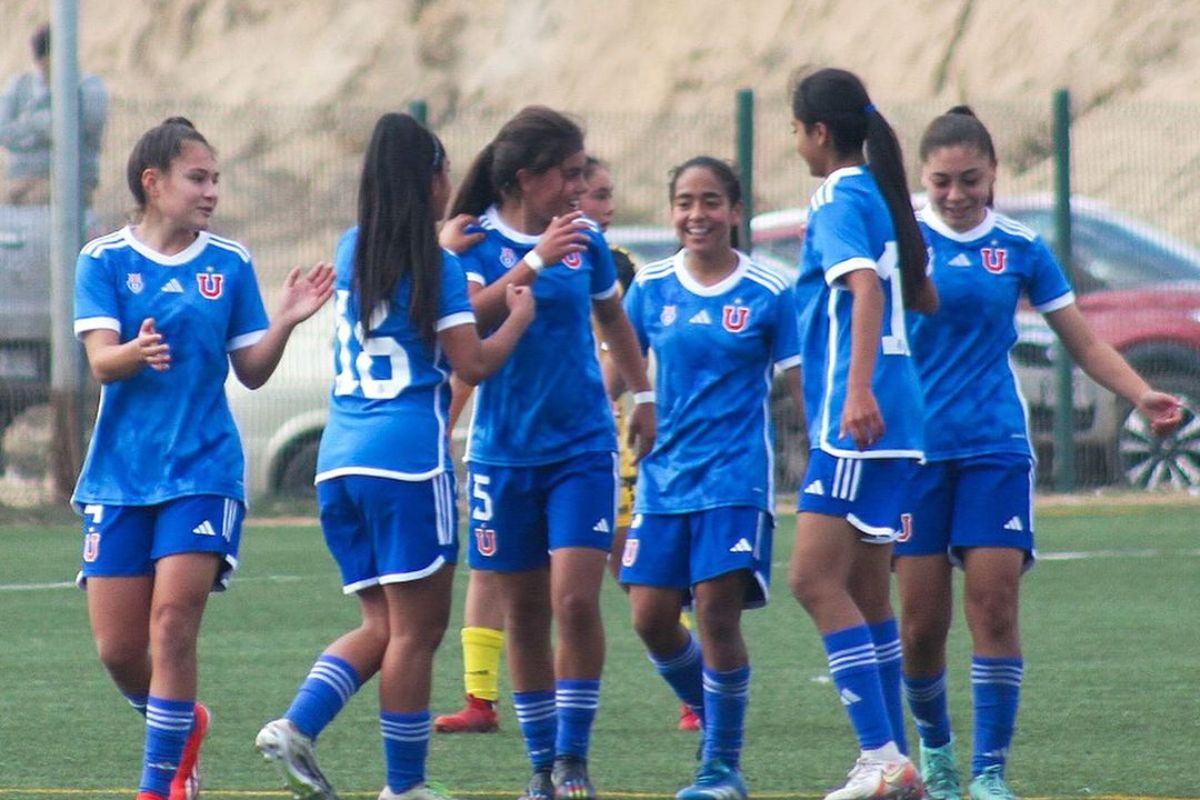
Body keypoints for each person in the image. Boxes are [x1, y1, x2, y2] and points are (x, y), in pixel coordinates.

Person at [896, 106, 1183, 800]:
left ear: (993, 174)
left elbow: (1082, 341)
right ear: (923, 180)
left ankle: (990, 771)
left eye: (971, 179)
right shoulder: (898, 244)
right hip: (913, 458)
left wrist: (1143, 394)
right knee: (920, 628)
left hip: (995, 447)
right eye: (943, 181)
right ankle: (935, 754)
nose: (957, 194)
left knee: (994, 608)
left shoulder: (1021, 247)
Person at [253, 112, 535, 800]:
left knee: (381, 624)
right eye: (443, 171)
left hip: (340, 461)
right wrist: (519, 318)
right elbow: (473, 360)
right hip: (407, 462)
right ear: (429, 179)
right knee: (418, 632)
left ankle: (296, 726)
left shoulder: (356, 248)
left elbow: (406, 275)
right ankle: (404, 787)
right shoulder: (437, 265)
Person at [72, 117, 333, 800]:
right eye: (198, 177)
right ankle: (185, 726)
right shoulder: (103, 261)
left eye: (215, 178)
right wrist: (135, 353)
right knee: (118, 649)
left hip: (203, 472)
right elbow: (101, 361)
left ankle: (158, 787)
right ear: (152, 183)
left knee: (172, 623)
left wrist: (283, 321)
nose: (211, 190)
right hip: (121, 476)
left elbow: (250, 372)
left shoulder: (229, 263)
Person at [450, 105, 655, 800]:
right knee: (525, 612)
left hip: (580, 448)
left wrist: (646, 398)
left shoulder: (587, 242)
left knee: (574, 600)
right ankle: (540, 765)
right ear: (528, 178)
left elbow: (613, 319)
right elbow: (468, 324)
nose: (579, 186)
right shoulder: (472, 244)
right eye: (568, 174)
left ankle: (573, 759)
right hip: (503, 455)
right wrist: (532, 264)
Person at [620, 156, 801, 800]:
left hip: (734, 479)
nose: (697, 215)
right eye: (685, 202)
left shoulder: (770, 293)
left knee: (717, 614)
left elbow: (801, 391)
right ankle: (716, 711)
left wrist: (822, 466)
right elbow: (619, 371)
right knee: (648, 616)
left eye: (711, 201)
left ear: (735, 209)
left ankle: (721, 767)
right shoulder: (650, 287)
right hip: (664, 479)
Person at [787, 67, 938, 800]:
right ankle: (897, 762)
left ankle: (879, 753)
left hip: (863, 415)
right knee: (867, 594)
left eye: (796, 128)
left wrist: (854, 391)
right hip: (897, 413)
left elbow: (866, 288)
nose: (796, 142)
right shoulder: (876, 192)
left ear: (818, 133)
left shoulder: (839, 195)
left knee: (811, 579)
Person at [0, 23, 107, 206]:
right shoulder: (19, 85)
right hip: (20, 181)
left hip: (73, 183)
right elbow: (4, 131)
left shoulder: (89, 87)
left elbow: (77, 129)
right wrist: (45, 126)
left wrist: (30, 123)